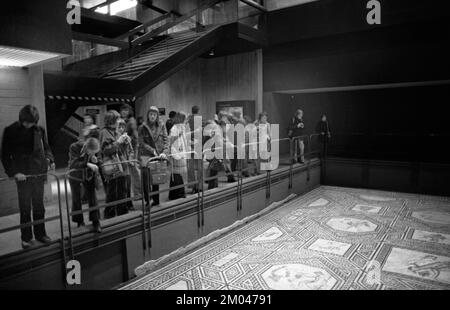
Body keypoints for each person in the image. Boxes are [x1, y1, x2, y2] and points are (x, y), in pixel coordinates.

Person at [1, 105, 54, 249]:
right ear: (22, 118)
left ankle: (41, 234)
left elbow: (47, 148)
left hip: (38, 174)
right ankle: (26, 238)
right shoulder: (10, 130)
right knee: (25, 208)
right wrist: (14, 173)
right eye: (27, 122)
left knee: (39, 207)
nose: (29, 125)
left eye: (32, 122)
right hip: (22, 175)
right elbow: (5, 155)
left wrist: (49, 160)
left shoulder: (39, 130)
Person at [68, 128, 102, 233]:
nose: (93, 154)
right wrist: (87, 163)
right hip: (75, 176)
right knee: (76, 198)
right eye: (91, 152)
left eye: (95, 152)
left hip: (88, 175)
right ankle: (79, 221)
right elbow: (73, 164)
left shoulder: (94, 146)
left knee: (92, 197)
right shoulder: (74, 147)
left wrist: (97, 162)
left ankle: (96, 222)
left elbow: (98, 160)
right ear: (87, 148)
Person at [99, 111, 130, 219]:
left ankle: (122, 213)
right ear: (111, 120)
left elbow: (120, 149)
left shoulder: (115, 131)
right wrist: (118, 142)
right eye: (117, 119)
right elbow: (106, 150)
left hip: (120, 165)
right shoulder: (104, 132)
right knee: (112, 192)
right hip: (111, 166)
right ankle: (109, 215)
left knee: (122, 190)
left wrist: (125, 143)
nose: (118, 121)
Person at [138, 106, 169, 207]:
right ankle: (147, 200)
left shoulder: (161, 125)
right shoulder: (142, 127)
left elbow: (166, 140)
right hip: (146, 155)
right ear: (148, 115)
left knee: (156, 178)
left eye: (154, 114)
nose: (152, 116)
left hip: (158, 155)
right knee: (146, 180)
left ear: (157, 116)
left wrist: (164, 152)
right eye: (150, 114)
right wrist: (152, 150)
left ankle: (156, 200)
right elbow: (141, 142)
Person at [168, 112, 188, 200]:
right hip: (177, 154)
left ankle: (174, 194)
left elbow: (184, 141)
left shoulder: (180, 127)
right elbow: (171, 142)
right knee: (176, 174)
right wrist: (176, 154)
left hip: (180, 153)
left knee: (177, 174)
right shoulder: (175, 128)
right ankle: (178, 194)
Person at [116, 118, 134, 211]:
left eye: (123, 127)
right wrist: (120, 142)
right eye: (119, 127)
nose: (121, 129)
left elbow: (131, 151)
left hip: (127, 165)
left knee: (128, 185)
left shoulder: (127, 138)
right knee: (122, 187)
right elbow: (115, 151)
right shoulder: (115, 139)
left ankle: (129, 204)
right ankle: (122, 206)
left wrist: (130, 159)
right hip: (119, 166)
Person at [187, 106, 203, 194]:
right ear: (198, 111)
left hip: (190, 145)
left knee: (191, 166)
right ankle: (199, 186)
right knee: (200, 167)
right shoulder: (199, 119)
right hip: (198, 145)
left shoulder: (188, 120)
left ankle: (193, 186)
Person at [126, 118, 142, 201]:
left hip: (133, 158)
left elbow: (135, 148)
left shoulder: (133, 134)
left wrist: (133, 159)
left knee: (136, 176)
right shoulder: (134, 133)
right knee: (136, 176)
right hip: (134, 158)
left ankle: (138, 194)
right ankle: (138, 193)